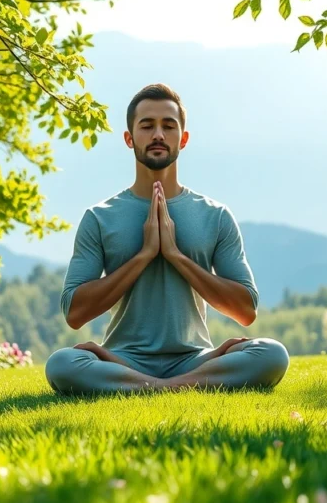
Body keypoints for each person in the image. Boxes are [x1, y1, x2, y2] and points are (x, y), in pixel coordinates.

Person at [45, 83, 290, 394]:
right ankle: (181, 387)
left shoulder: (215, 215)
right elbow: (74, 313)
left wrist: (176, 255)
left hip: (195, 359)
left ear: (183, 139)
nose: (158, 134)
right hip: (122, 359)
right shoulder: (99, 217)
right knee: (62, 363)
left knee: (271, 354)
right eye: (147, 126)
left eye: (168, 126)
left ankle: (158, 387)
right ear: (129, 138)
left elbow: (246, 310)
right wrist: (144, 255)